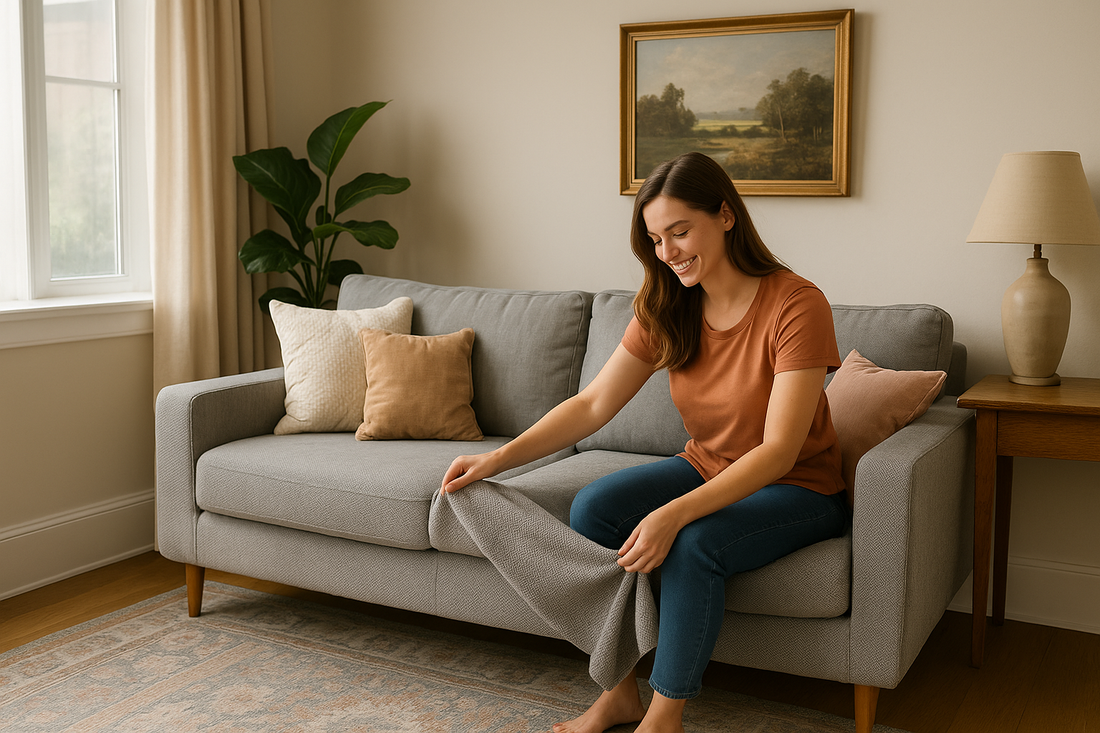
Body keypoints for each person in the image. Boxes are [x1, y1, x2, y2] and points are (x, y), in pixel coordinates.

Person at [440, 151, 849, 733]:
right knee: (594, 508)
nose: (668, 253)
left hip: (798, 488)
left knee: (693, 542)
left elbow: (779, 450)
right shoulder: (667, 303)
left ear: (726, 216)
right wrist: (497, 459)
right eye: (657, 239)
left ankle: (664, 718)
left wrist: (671, 516)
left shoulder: (795, 304)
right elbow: (592, 404)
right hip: (707, 466)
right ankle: (618, 691)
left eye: (680, 232)